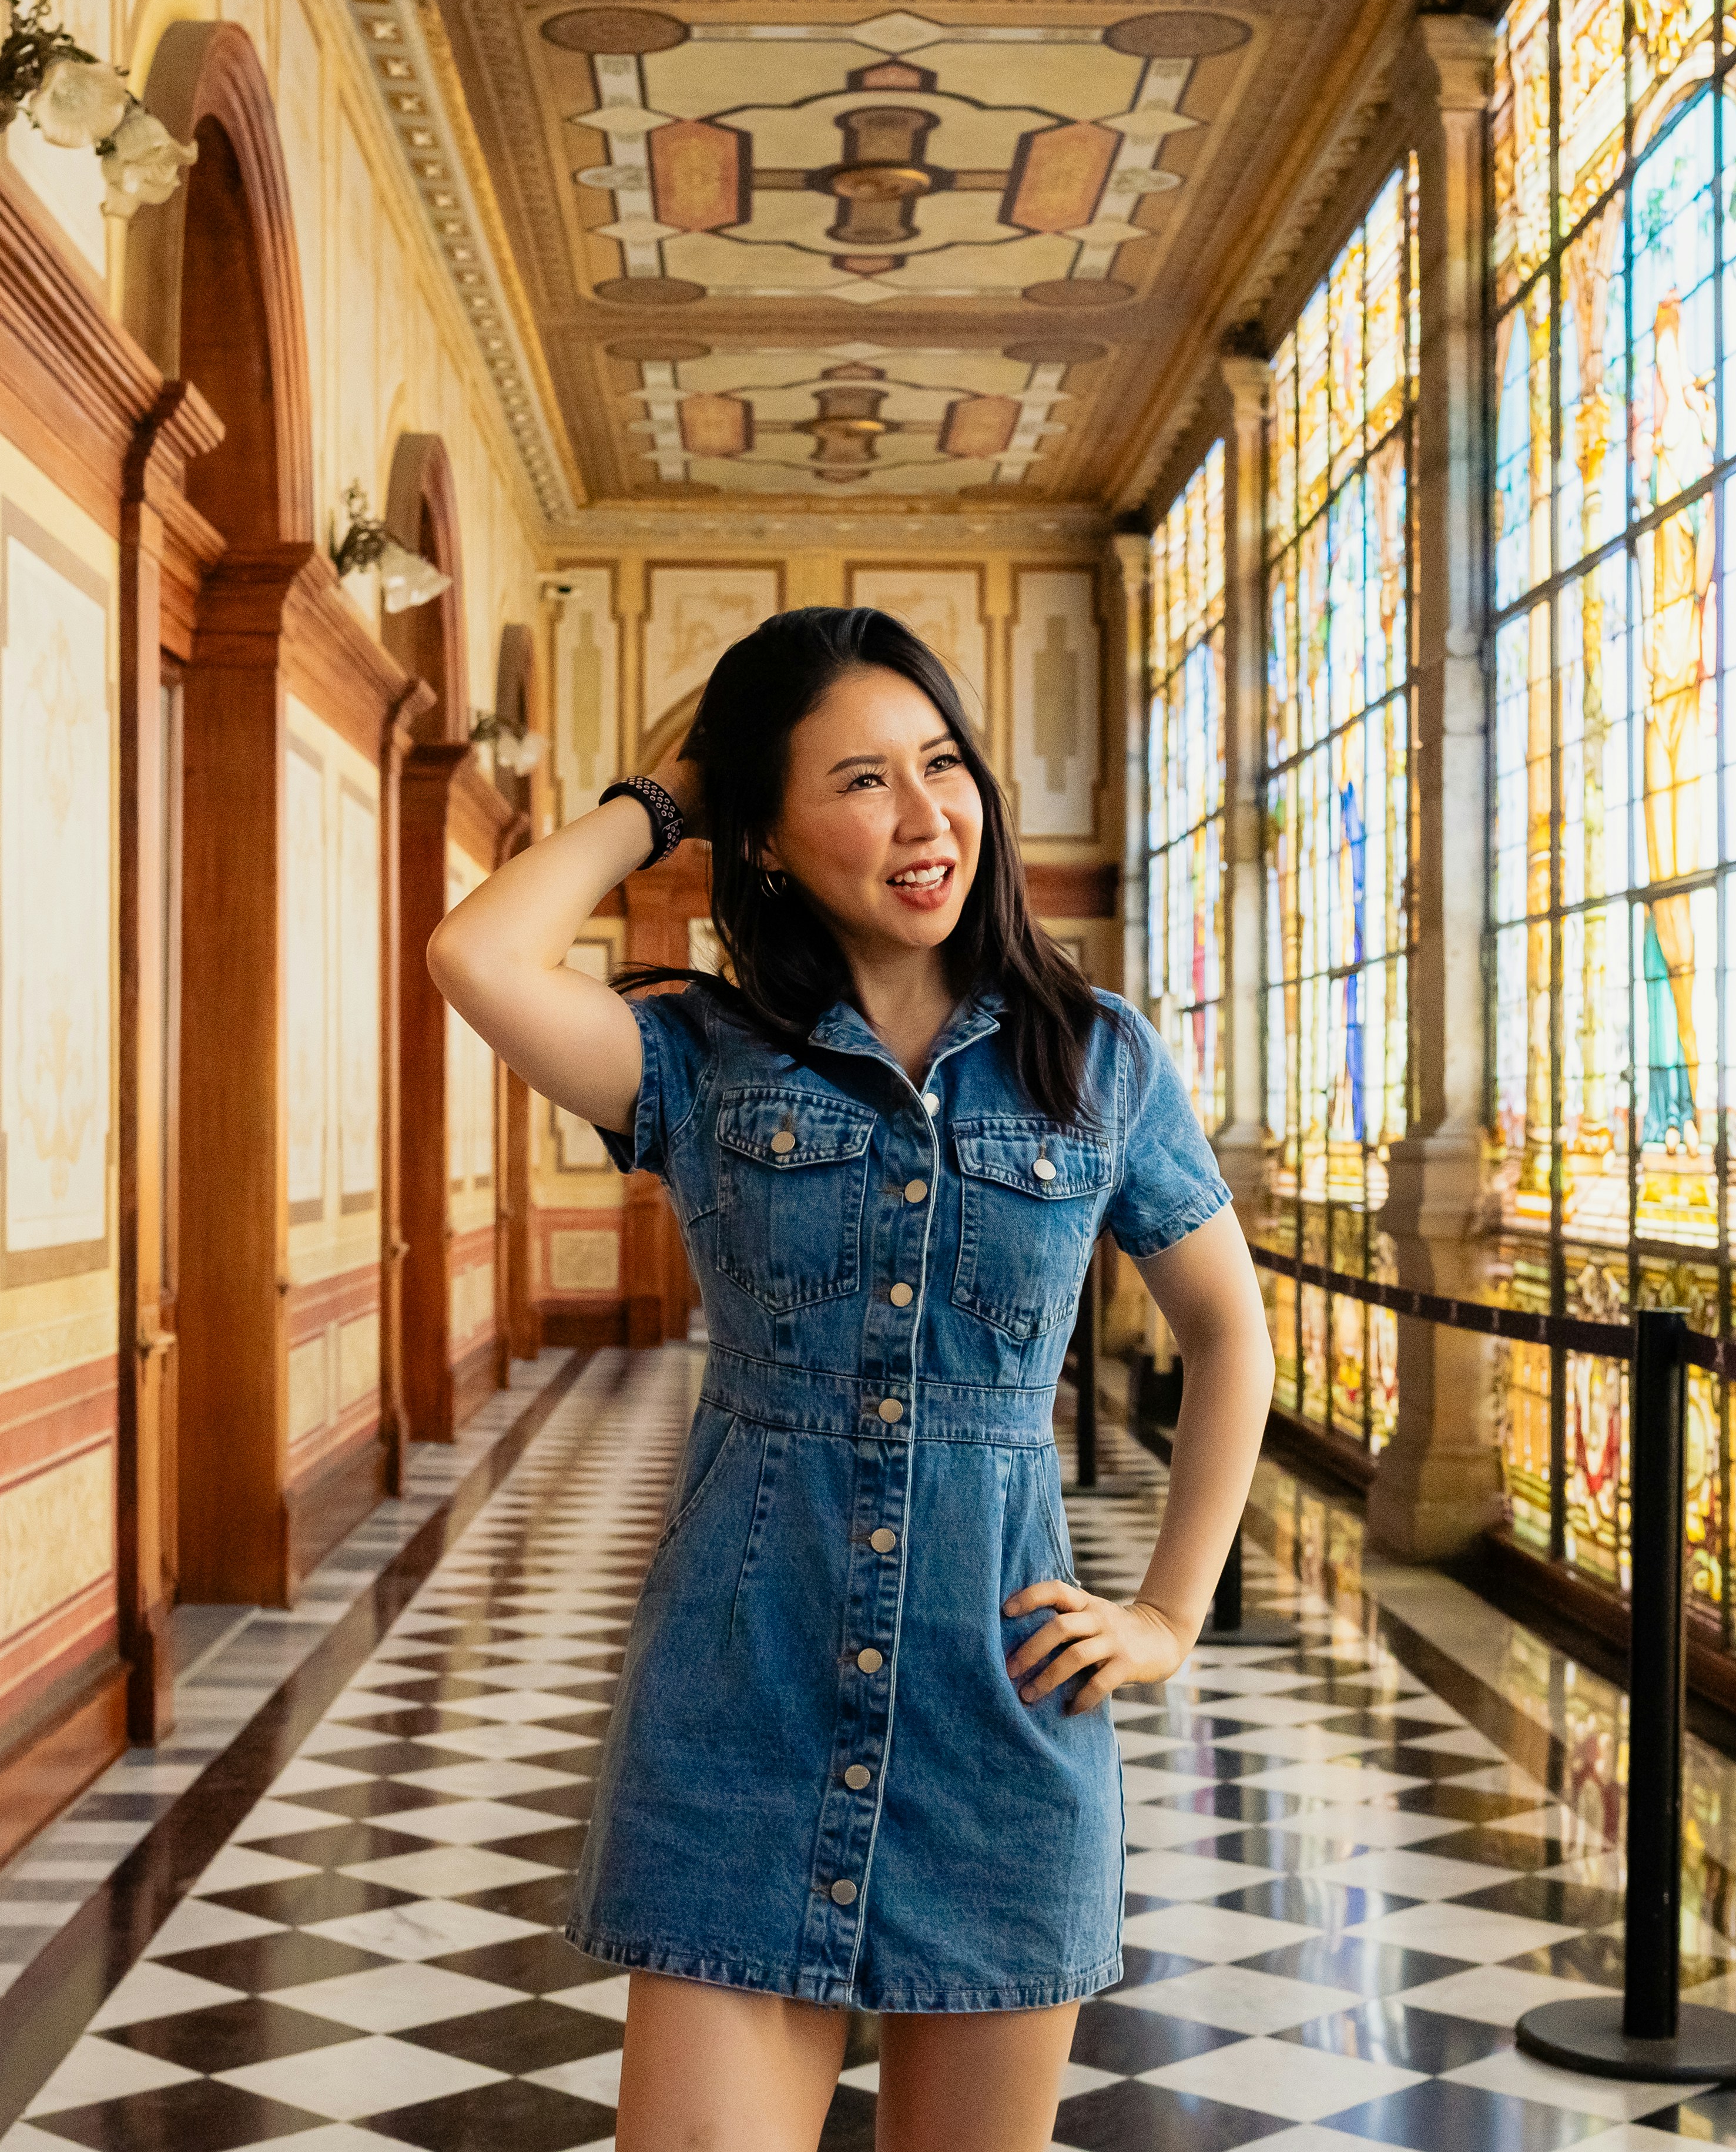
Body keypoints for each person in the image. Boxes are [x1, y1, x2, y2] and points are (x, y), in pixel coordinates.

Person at [427, 605, 1272, 2150]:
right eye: (863, 779)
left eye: (943, 764)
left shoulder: (1100, 1060)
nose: (926, 813)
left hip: (1001, 1731)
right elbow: (473, 953)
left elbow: (1231, 1329)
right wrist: (660, 795)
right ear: (764, 836)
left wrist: (1166, 1611)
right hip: (738, 1718)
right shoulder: (698, 1054)